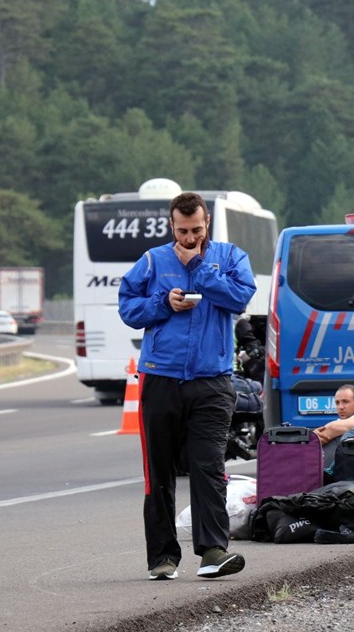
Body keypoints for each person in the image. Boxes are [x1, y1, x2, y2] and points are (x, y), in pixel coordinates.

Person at [119, 191, 256, 581]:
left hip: (212, 381)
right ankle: (162, 557)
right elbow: (128, 307)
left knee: (208, 466)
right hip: (160, 377)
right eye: (182, 231)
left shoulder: (230, 257)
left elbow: (240, 297)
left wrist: (199, 266)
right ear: (171, 226)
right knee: (159, 471)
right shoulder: (152, 260)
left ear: (206, 222)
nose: (190, 236)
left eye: (196, 229)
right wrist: (164, 303)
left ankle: (213, 551)